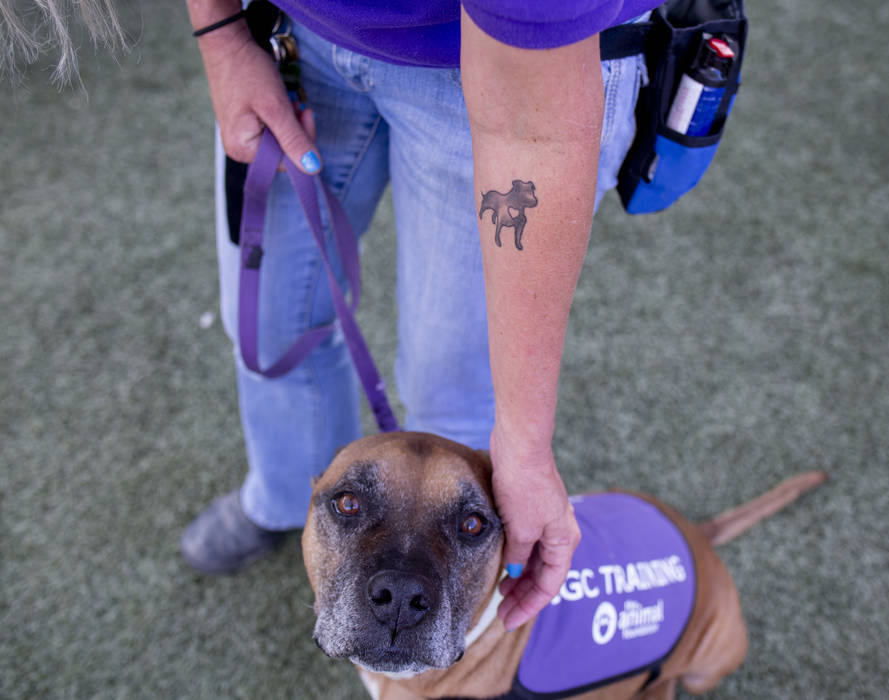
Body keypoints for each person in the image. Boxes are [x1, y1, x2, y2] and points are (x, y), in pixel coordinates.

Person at [180, 0, 659, 631]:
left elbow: (531, 131)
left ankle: (438, 616)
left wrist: (526, 443)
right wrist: (223, 39)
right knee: (269, 331)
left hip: (510, 79)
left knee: (453, 394)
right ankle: (282, 498)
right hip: (297, 37)